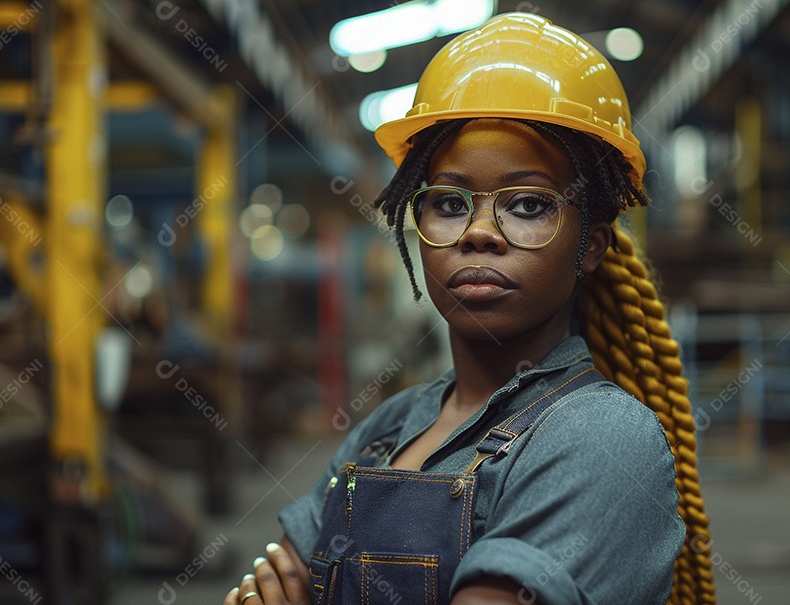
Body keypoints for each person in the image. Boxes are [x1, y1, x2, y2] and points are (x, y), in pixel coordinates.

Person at [224, 12, 714, 605]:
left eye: (528, 205)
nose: (479, 233)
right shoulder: (389, 427)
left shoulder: (604, 437)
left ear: (591, 247)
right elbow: (266, 586)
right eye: (451, 203)